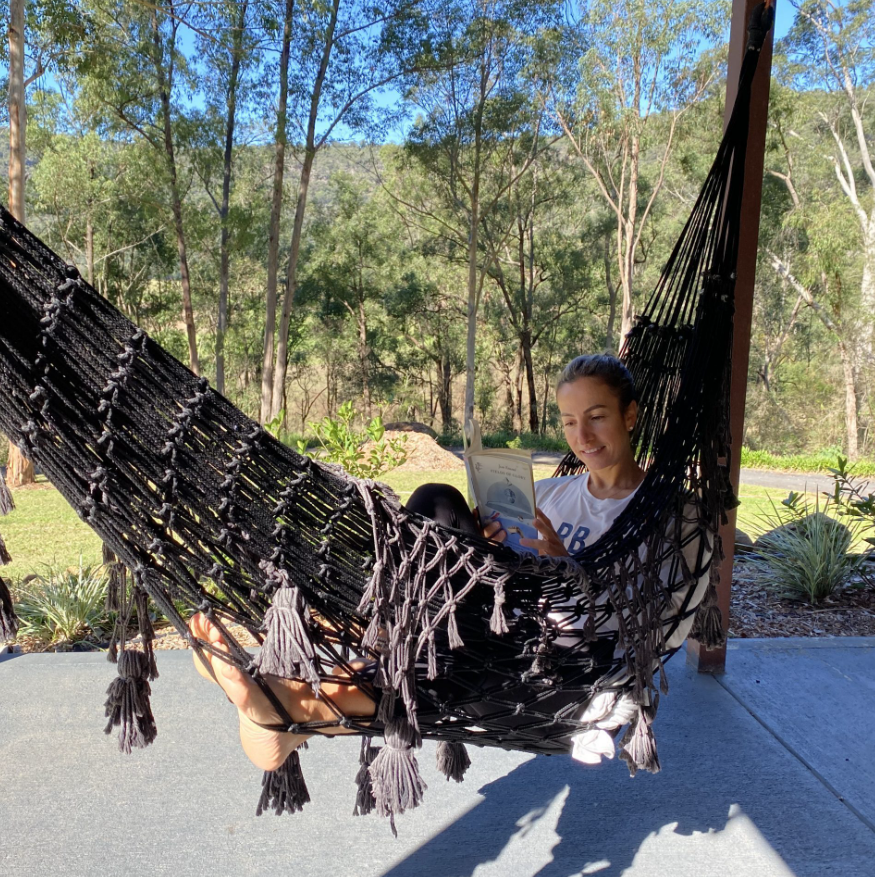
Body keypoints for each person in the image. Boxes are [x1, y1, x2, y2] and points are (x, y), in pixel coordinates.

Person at [189, 354, 706, 771]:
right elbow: (496, 563)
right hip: (501, 619)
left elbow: (658, 623)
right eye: (570, 422)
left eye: (597, 418)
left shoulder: (669, 515)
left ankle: (292, 700)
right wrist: (484, 541)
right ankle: (317, 674)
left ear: (630, 415)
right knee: (438, 501)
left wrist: (567, 566)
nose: (583, 437)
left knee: (445, 647)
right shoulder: (553, 492)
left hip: (564, 656)